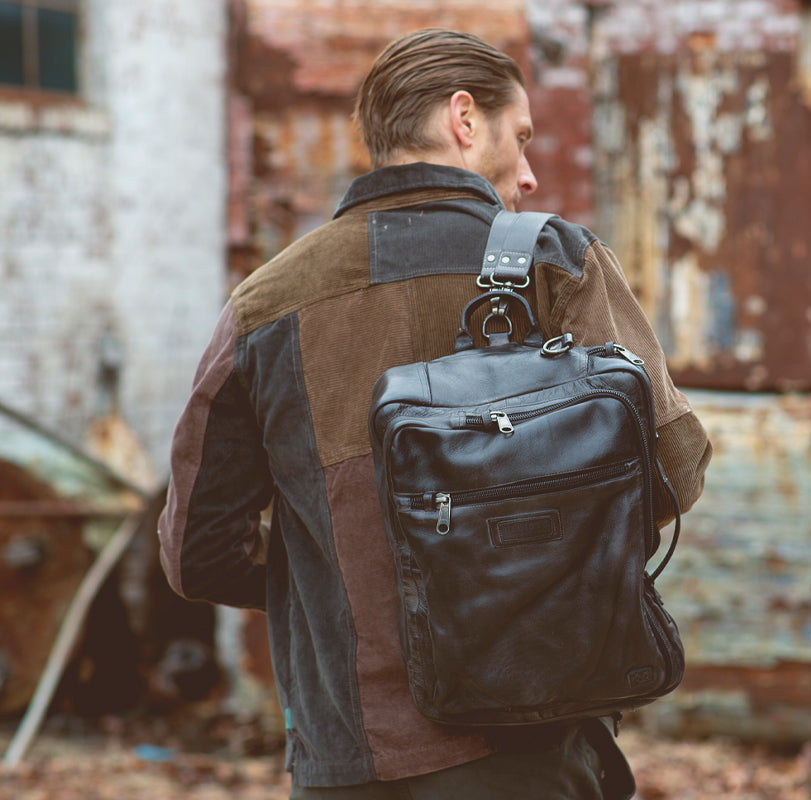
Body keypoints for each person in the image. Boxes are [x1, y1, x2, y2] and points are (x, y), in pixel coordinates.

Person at [157, 28, 710, 798]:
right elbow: (672, 470)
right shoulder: (558, 263)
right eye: (519, 139)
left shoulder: (263, 306)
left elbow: (196, 552)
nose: (527, 174)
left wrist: (342, 576)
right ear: (463, 119)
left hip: (343, 749)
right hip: (527, 738)